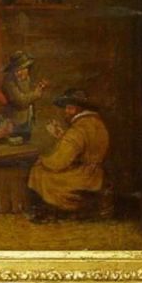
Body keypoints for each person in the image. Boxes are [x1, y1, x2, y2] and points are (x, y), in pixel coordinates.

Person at [28, 89, 110, 222]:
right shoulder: (97, 123)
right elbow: (83, 147)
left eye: (69, 108)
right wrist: (62, 136)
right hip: (96, 173)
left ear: (79, 108)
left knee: (38, 171)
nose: (66, 112)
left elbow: (59, 162)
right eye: (66, 108)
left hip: (82, 176)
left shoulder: (77, 130)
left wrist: (42, 159)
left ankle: (53, 210)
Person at [2, 51, 48, 140]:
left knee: (27, 140)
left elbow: (28, 94)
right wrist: (36, 94)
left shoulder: (27, 78)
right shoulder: (9, 81)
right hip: (15, 122)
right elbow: (20, 101)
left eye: (22, 69)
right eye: (16, 70)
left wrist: (40, 87)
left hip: (28, 119)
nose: (18, 73)